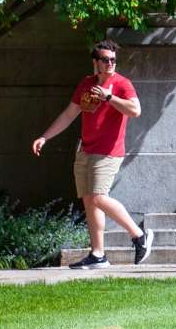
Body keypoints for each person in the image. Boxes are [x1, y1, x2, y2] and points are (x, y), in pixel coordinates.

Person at [31, 40, 154, 268]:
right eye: (105, 60)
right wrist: (45, 137)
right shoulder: (86, 84)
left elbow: (136, 110)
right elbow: (69, 115)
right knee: (89, 201)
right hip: (86, 150)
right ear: (95, 62)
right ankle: (98, 255)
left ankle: (139, 236)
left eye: (113, 60)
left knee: (98, 196)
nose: (110, 64)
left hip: (108, 152)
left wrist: (109, 97)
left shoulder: (121, 84)